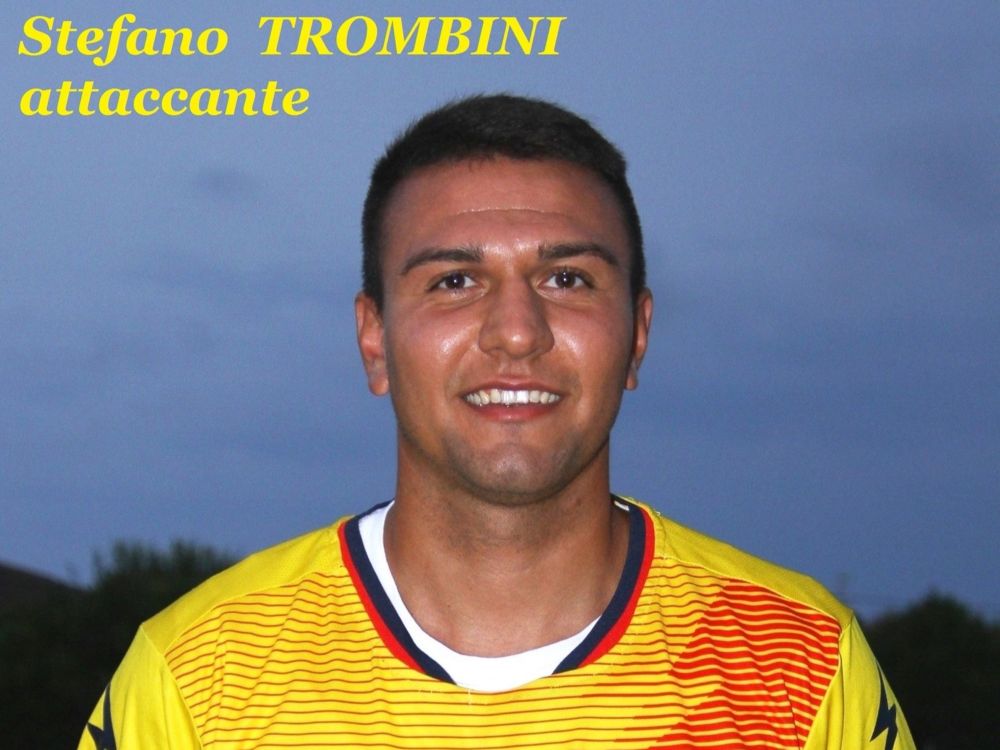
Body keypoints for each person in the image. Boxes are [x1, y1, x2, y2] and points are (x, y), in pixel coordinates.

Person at [80, 94, 914, 749]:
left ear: (638, 334)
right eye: (453, 282)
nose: (517, 332)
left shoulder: (799, 664)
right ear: (374, 340)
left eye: (568, 280)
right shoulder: (199, 676)